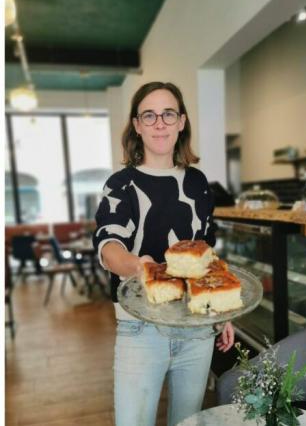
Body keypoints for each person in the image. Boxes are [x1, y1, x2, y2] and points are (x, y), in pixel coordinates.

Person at [92, 82, 235, 426]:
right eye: (149, 115)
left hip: (196, 325)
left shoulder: (199, 183)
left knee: (188, 421)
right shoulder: (121, 183)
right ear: (137, 125)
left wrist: (222, 308)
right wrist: (137, 265)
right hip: (140, 327)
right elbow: (108, 246)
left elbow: (206, 250)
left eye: (168, 114)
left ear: (181, 121)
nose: (160, 123)